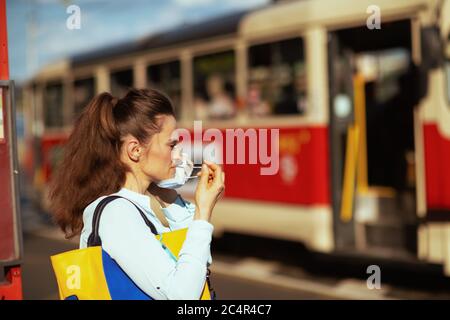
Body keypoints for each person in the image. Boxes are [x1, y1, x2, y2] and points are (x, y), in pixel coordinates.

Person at [48, 88, 225, 300]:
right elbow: (183, 295)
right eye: (171, 144)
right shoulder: (117, 213)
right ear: (135, 150)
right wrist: (203, 211)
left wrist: (168, 195)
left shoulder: (132, 206)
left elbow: (195, 267)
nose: (179, 155)